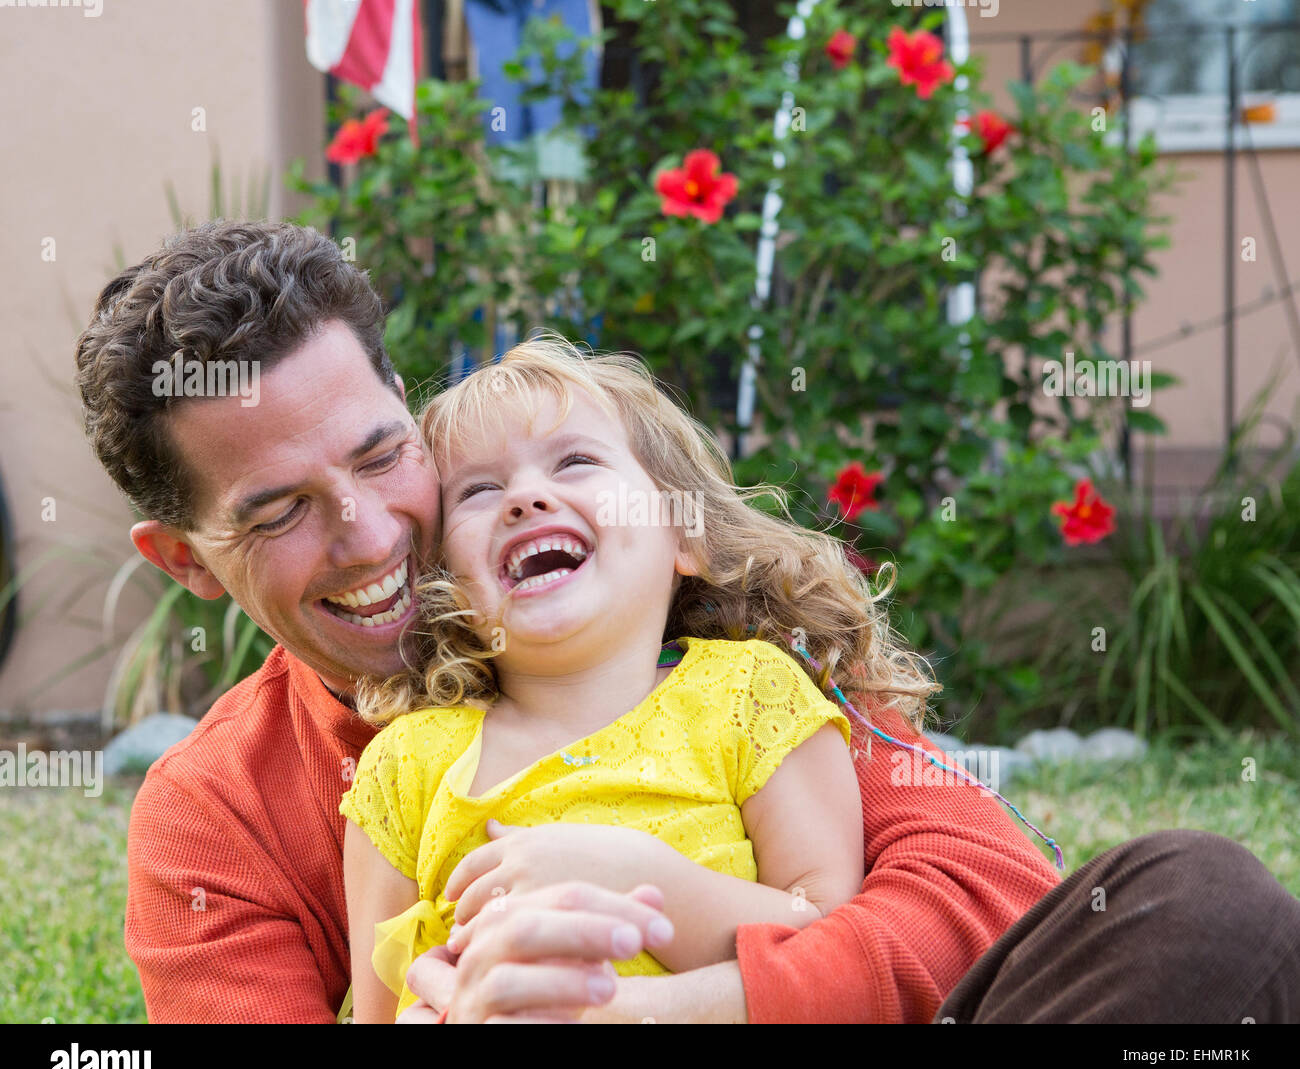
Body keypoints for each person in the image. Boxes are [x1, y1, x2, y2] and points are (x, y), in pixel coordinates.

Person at [75, 220, 1299, 1024]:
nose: (369, 534)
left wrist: (663, 991)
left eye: (384, 455)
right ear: (185, 562)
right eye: (280, 510)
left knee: (1197, 908)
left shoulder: (721, 666)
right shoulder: (221, 814)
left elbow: (988, 903)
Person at [341, 336, 907, 1020]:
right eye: (480, 489)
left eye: (575, 461)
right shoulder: (403, 767)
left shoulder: (753, 695)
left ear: (685, 536)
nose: (524, 498)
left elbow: (828, 944)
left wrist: (641, 877)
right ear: (444, 581)